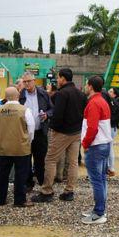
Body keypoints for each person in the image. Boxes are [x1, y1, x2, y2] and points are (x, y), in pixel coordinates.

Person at [36, 66, 85, 202]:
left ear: (63, 79)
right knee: (73, 162)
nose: (57, 80)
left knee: (50, 160)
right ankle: (69, 191)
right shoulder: (81, 94)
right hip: (76, 133)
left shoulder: (62, 94)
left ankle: (47, 191)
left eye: (58, 77)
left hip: (61, 132)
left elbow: (57, 115)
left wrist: (52, 127)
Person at [0, 85, 35, 208]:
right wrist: (28, 142)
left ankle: (0, 199)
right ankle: (19, 200)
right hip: (21, 148)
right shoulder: (25, 110)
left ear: (5, 97)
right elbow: (31, 129)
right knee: (21, 175)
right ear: (17, 96)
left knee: (2, 175)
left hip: (4, 147)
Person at [79, 74, 113, 225]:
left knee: (97, 180)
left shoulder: (93, 103)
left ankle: (99, 212)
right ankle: (100, 209)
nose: (86, 87)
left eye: (87, 84)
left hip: (96, 146)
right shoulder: (102, 101)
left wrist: (85, 144)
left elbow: (92, 128)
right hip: (104, 144)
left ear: (90, 86)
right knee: (101, 179)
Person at [17, 74, 52, 191]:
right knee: (26, 158)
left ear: (34, 81)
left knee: (40, 159)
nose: (27, 84)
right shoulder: (20, 95)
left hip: (40, 132)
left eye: (29, 81)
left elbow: (52, 109)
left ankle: (42, 181)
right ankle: (28, 183)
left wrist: (47, 115)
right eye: (25, 81)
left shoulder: (43, 94)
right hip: (25, 133)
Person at [105, 86, 119, 178]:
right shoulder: (117, 103)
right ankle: (110, 167)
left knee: (109, 148)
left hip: (111, 127)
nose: (108, 92)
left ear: (114, 94)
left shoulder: (114, 103)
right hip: (113, 128)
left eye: (110, 91)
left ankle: (111, 168)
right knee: (109, 148)